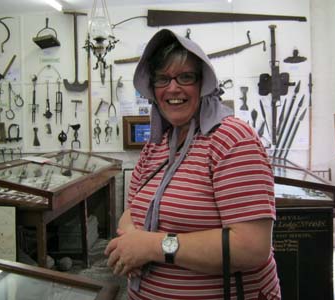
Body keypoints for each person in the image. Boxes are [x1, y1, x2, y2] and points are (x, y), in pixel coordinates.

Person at [105, 29, 281, 300]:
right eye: (162, 79)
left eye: (185, 77)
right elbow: (134, 210)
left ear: (203, 83)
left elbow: (252, 247)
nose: (173, 88)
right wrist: (130, 237)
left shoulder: (232, 140)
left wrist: (151, 246)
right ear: (153, 89)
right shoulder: (158, 143)